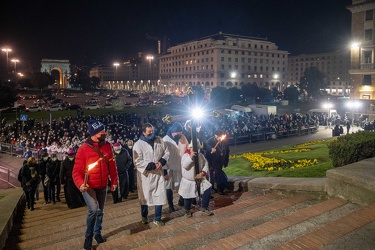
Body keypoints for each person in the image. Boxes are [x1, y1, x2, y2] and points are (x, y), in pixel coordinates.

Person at [73, 119, 118, 250]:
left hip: (102, 185)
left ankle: (97, 233)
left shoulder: (108, 146)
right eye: (101, 131)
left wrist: (114, 181)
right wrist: (81, 184)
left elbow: (112, 165)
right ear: (94, 133)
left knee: (100, 211)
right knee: (93, 209)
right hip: (89, 186)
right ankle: (88, 238)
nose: (104, 133)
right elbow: (76, 171)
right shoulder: (83, 149)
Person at [133, 123, 170, 227]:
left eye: (152, 131)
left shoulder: (159, 140)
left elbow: (166, 152)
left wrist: (161, 162)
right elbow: (137, 161)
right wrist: (151, 165)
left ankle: (157, 218)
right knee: (145, 196)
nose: (152, 133)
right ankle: (144, 216)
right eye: (149, 132)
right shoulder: (138, 145)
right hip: (146, 175)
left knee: (160, 194)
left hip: (158, 173)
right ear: (144, 132)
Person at [179, 140, 213, 217]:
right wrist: (191, 157)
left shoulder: (201, 155)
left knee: (207, 189)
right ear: (190, 148)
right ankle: (187, 211)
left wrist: (202, 173)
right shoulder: (185, 156)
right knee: (188, 197)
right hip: (189, 180)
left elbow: (205, 164)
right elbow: (185, 165)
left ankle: (204, 206)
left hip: (200, 179)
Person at [162, 122, 186, 212]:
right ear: (173, 131)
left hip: (181, 166)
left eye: (181, 132)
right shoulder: (165, 140)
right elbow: (162, 156)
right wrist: (164, 172)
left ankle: (181, 200)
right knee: (169, 187)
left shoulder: (182, 138)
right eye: (178, 133)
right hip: (169, 167)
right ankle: (170, 204)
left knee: (182, 184)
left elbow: (186, 147)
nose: (180, 135)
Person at [206, 130, 230, 195]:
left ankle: (219, 187)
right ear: (215, 136)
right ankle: (218, 188)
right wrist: (209, 164)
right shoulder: (210, 141)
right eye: (219, 136)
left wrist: (226, 161)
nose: (220, 138)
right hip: (212, 162)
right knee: (216, 175)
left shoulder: (224, 142)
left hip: (220, 162)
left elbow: (227, 152)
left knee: (217, 174)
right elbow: (207, 153)